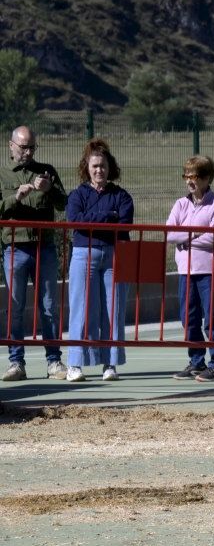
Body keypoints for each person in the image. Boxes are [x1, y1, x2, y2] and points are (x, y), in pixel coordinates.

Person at [0, 126, 69, 381]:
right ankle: (16, 362)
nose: (27, 152)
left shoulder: (47, 170)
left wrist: (49, 188)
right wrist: (15, 198)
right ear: (11, 146)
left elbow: (65, 204)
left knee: (49, 306)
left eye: (31, 147)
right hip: (14, 248)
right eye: (23, 147)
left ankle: (54, 361)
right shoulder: (2, 174)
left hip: (44, 248)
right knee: (15, 307)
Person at [64, 139, 134, 382]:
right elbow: (75, 221)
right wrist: (108, 217)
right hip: (84, 255)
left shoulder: (122, 196)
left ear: (109, 167)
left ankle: (110, 364)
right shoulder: (77, 195)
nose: (99, 171)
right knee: (81, 309)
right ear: (87, 167)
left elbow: (124, 224)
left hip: (114, 255)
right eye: (94, 166)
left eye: (103, 166)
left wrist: (93, 221)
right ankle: (75, 364)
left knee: (113, 310)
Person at [165, 156, 214, 383]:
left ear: (208, 178)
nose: (190, 181)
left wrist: (186, 238)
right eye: (187, 176)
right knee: (188, 318)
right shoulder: (180, 204)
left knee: (212, 318)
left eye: (196, 176)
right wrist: (196, 233)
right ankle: (196, 360)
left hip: (211, 271)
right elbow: (170, 233)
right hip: (186, 271)